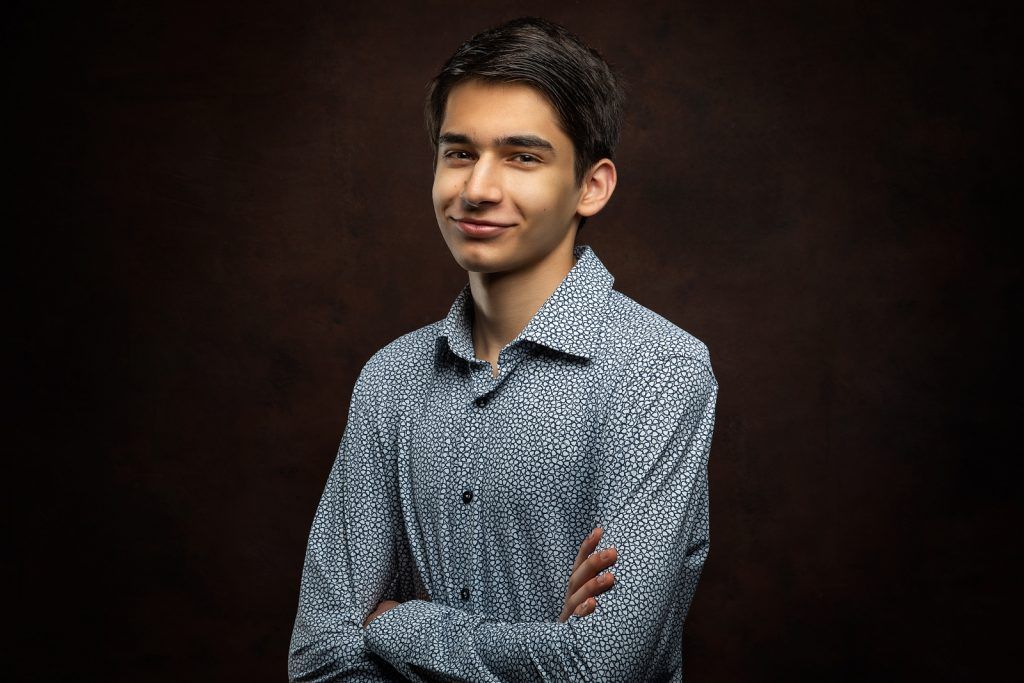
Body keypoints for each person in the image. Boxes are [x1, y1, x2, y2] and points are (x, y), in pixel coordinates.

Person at [288, 16, 718, 682]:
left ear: (591, 186)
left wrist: (399, 624)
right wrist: (540, 646)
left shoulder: (658, 372)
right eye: (460, 153)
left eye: (522, 157)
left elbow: (600, 666)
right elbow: (320, 657)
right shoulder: (390, 379)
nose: (477, 189)